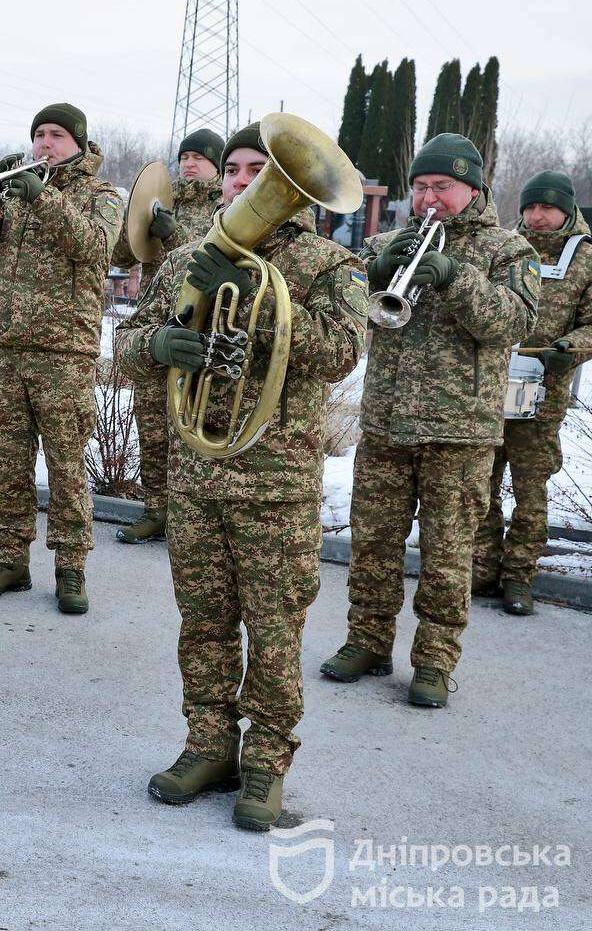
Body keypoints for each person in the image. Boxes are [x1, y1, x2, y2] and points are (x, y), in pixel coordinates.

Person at [115, 122, 366, 830]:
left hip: (275, 487)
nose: (244, 182)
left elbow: (341, 350)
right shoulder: (188, 256)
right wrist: (159, 342)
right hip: (196, 478)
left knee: (275, 631)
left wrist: (257, 307)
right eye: (235, 170)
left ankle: (265, 763)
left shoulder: (329, 264)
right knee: (203, 626)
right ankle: (207, 745)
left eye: (261, 171)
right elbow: (126, 344)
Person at [321, 133, 539, 707]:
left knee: (448, 554)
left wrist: (456, 277)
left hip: (459, 432)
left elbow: (514, 323)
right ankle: (366, 640)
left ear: (473, 188)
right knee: (373, 544)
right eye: (420, 187)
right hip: (385, 424)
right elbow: (345, 306)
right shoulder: (389, 241)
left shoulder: (508, 252)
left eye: (442, 187)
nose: (429, 198)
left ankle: (435, 660)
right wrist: (370, 274)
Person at [0, 103, 122, 615]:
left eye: (55, 135)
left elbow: (95, 248)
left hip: (64, 352)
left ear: (79, 141)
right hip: (8, 345)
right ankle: (10, 558)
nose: (44, 144)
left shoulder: (103, 196)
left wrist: (45, 198)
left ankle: (71, 566)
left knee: (66, 465)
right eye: (38, 135)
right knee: (11, 464)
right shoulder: (15, 188)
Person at [473, 171, 592, 615]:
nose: (538, 216)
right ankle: (481, 567)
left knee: (530, 485)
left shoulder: (585, 258)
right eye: (531, 207)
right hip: (487, 384)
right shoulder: (502, 249)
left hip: (543, 392)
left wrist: (572, 348)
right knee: (481, 480)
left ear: (567, 211)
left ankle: (519, 577)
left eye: (548, 208)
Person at [111, 128, 223, 545]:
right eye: (184, 157)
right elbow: (122, 254)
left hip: (203, 326)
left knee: (191, 423)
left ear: (216, 165)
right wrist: (138, 219)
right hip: (157, 323)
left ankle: (192, 514)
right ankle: (156, 508)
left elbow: (210, 262)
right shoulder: (164, 196)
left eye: (199, 158)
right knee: (153, 424)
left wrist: (173, 234)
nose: (189, 164)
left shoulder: (222, 207)